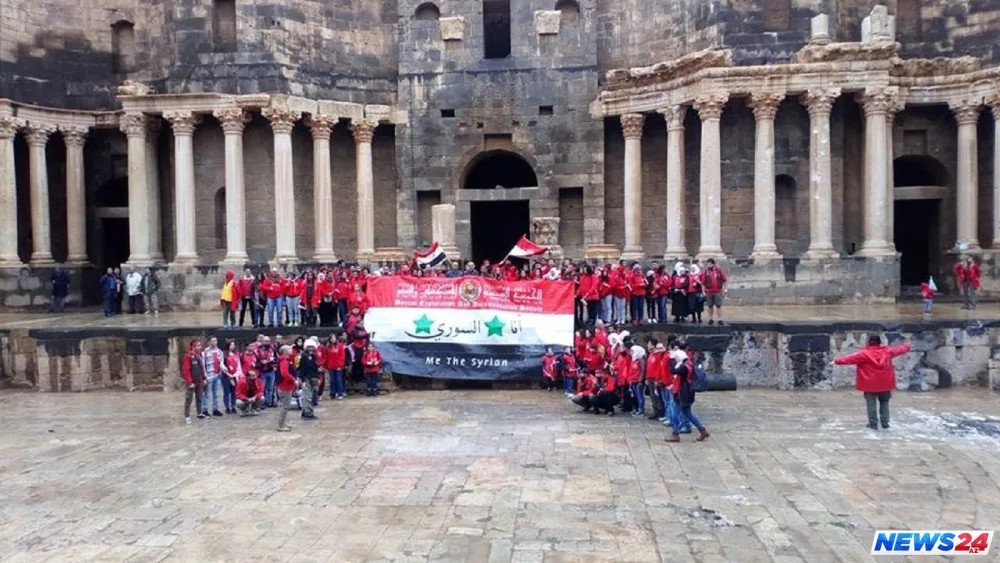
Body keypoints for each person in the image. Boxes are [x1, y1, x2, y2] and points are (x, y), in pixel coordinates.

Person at [833, 335, 911, 430]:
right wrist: (907, 344)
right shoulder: (888, 351)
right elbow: (900, 349)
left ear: (869, 342)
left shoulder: (864, 354)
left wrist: (836, 361)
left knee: (871, 403)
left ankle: (873, 424)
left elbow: (848, 359)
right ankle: (885, 423)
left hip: (869, 384)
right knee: (885, 402)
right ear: (880, 342)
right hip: (885, 383)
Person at [666, 343, 709, 442]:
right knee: (688, 414)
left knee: (674, 414)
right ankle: (703, 430)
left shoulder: (684, 367)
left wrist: (671, 359)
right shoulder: (688, 364)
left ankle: (675, 434)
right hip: (687, 393)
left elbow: (673, 371)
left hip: (682, 394)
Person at [182, 340, 206, 424]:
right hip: (192, 381)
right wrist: (189, 382)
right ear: (193, 346)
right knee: (189, 399)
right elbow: (186, 370)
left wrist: (204, 378)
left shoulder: (199, 356)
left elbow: (202, 368)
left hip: (199, 380)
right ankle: (187, 415)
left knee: (199, 397)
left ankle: (199, 412)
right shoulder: (188, 356)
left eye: (200, 345)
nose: (200, 347)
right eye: (198, 346)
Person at [201, 337, 225, 417]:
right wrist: (205, 376)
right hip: (209, 375)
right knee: (207, 394)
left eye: (216, 341)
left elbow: (221, 362)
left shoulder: (219, 352)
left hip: (217, 375)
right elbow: (203, 365)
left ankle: (215, 409)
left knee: (216, 393)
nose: (215, 342)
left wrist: (223, 368)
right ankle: (204, 409)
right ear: (209, 342)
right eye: (213, 341)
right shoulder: (205, 352)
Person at [297, 338, 321, 419]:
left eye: (312, 347)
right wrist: (302, 379)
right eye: (309, 347)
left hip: (313, 378)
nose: (311, 348)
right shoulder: (303, 356)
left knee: (309, 396)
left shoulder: (313, 356)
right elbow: (301, 368)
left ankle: (305, 412)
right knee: (308, 396)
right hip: (306, 378)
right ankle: (308, 413)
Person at [275, 345, 297, 432]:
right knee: (285, 406)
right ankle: (280, 425)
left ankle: (283, 422)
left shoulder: (285, 360)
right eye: (289, 349)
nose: (291, 350)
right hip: (285, 386)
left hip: (285, 386)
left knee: (286, 406)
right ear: (285, 351)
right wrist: (293, 379)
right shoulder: (284, 361)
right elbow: (285, 373)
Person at [702, 258, 728, 325]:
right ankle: (710, 319)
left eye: (710, 264)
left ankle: (720, 319)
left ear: (713, 264)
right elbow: (703, 283)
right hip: (709, 291)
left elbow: (725, 280)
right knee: (710, 306)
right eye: (708, 264)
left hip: (717, 291)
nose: (708, 265)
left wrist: (726, 289)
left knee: (718, 306)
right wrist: (703, 291)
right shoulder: (706, 272)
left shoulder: (719, 271)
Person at [255, 335, 278, 407]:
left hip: (271, 370)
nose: (267, 342)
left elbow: (276, 358)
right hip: (262, 371)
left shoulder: (273, 349)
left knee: (270, 388)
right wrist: (261, 362)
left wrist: (274, 366)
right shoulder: (257, 350)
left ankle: (269, 401)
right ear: (262, 341)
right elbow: (255, 360)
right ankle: (262, 402)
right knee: (262, 388)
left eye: (268, 341)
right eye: (265, 341)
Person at [324, 333, 348, 399]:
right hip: (331, 366)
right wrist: (325, 366)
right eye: (331, 338)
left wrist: (340, 365)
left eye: (334, 338)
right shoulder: (328, 347)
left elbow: (342, 356)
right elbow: (326, 357)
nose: (333, 339)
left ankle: (340, 393)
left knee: (338, 380)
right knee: (332, 380)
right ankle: (333, 393)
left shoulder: (340, 346)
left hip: (338, 366)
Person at [221, 340, 241, 414]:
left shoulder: (236, 354)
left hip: (234, 376)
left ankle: (233, 406)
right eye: (231, 345)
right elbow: (222, 365)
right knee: (226, 392)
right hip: (226, 377)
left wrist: (235, 374)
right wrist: (228, 374)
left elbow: (238, 365)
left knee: (234, 392)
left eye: (233, 345)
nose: (232, 346)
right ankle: (227, 407)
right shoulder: (223, 355)